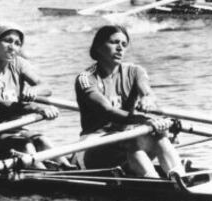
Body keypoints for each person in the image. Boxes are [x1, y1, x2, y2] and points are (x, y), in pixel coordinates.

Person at [74, 25, 184, 178]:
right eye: (114, 42)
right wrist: (144, 120)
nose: (120, 48)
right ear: (98, 47)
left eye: (124, 44)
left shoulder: (135, 71)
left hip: (125, 141)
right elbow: (107, 111)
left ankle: (179, 176)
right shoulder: (86, 79)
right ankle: (155, 184)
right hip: (93, 145)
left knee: (159, 135)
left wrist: (147, 99)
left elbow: (148, 92)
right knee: (133, 139)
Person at [0, 22, 74, 169]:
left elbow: (46, 86)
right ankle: (45, 176)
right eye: (8, 41)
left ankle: (67, 169)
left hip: (17, 132)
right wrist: (35, 107)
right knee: (26, 145)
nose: (13, 47)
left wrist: (34, 90)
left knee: (42, 141)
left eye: (18, 43)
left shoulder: (17, 64)